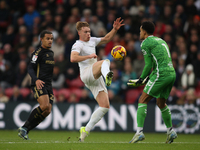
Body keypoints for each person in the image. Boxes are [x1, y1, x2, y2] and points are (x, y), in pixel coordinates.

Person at [70, 17, 124, 142]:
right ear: (79, 33)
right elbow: (73, 58)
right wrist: (89, 56)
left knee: (104, 107)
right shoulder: (78, 44)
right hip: (86, 73)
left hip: (95, 76)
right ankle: (108, 76)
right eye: (85, 32)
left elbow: (106, 38)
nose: (88, 34)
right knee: (105, 61)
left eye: (89, 31)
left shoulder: (92, 41)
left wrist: (114, 29)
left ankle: (85, 131)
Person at [127, 21, 177, 144]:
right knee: (161, 103)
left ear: (144, 31)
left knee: (142, 100)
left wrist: (141, 79)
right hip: (171, 74)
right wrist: (149, 77)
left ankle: (139, 132)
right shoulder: (161, 40)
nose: (139, 33)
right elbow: (160, 61)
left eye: (140, 31)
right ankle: (171, 131)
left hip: (161, 74)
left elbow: (149, 64)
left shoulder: (145, 43)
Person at [18, 30, 54, 140]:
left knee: (47, 111)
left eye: (51, 39)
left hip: (48, 85)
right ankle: (24, 128)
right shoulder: (37, 52)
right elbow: (30, 68)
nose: (50, 41)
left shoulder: (51, 53)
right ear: (41, 39)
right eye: (47, 38)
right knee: (44, 106)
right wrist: (36, 80)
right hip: (39, 83)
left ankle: (25, 130)